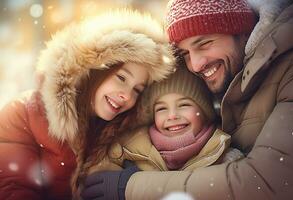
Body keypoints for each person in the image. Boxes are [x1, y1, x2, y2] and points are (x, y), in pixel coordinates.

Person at [80, 0, 293, 200]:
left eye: (204, 44)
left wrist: (129, 186)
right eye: (185, 53)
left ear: (242, 32)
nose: (195, 65)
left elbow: (272, 182)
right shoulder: (233, 76)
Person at [0, 9, 175, 200]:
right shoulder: (22, 113)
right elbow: (13, 189)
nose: (126, 95)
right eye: (121, 78)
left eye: (137, 90)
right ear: (94, 69)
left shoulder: (122, 135)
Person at [80, 66, 245, 199]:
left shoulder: (226, 157)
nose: (172, 115)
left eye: (184, 105)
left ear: (204, 110)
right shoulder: (127, 148)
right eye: (161, 108)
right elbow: (94, 183)